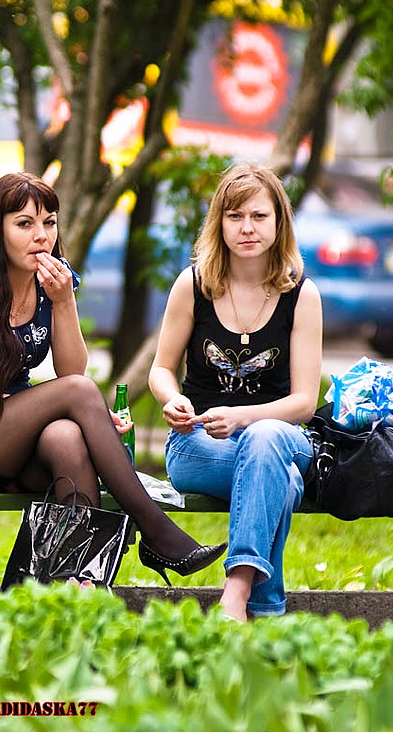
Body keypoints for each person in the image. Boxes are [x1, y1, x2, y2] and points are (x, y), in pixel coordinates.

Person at [0, 172, 226, 582]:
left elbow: (71, 369)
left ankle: (71, 587)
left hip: (15, 435)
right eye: (24, 224)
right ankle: (156, 530)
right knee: (78, 395)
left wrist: (63, 301)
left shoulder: (53, 283)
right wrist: (73, 410)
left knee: (68, 437)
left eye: (50, 222)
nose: (41, 236)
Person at [148, 162, 324, 621]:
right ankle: (262, 607)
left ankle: (237, 592)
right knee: (283, 482)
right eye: (235, 216)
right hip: (198, 445)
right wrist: (172, 399)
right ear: (219, 223)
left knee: (265, 439)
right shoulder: (193, 286)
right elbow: (161, 370)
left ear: (279, 222)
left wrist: (243, 417)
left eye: (259, 216)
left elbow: (304, 403)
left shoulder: (302, 295)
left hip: (282, 436)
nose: (247, 228)